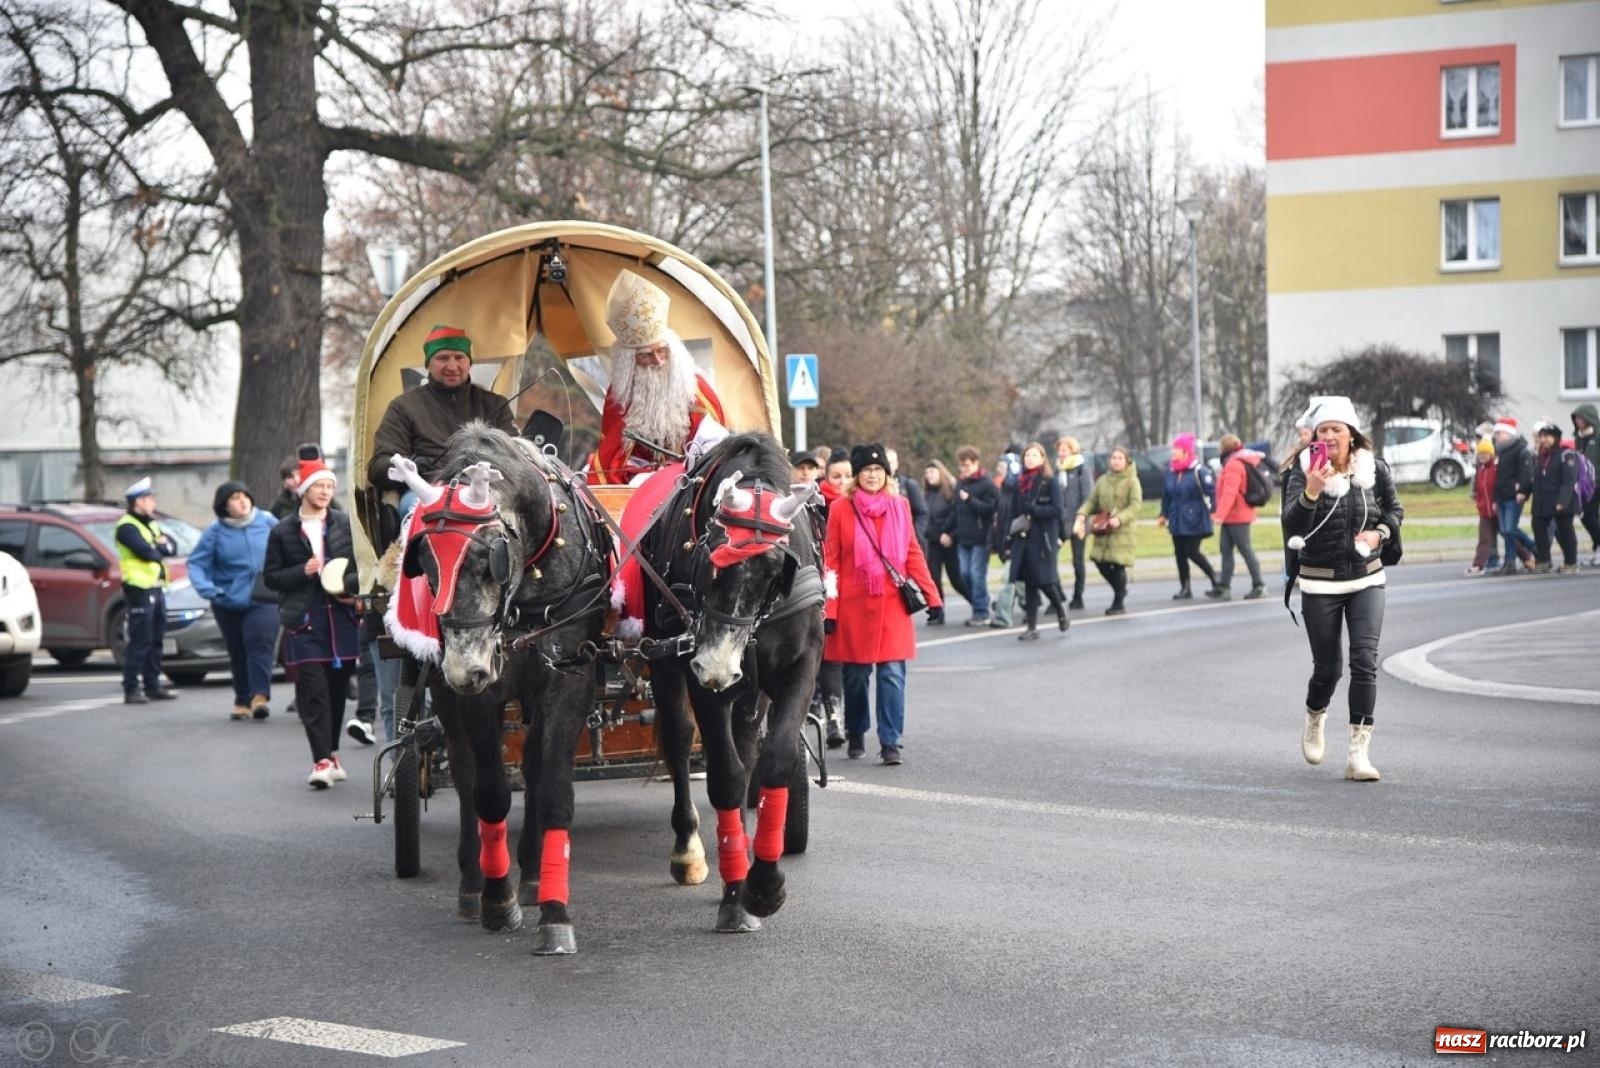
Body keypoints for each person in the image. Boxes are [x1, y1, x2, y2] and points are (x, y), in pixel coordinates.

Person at [1281, 396, 1402, 782]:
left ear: (1352, 434)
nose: (1330, 436)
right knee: (1328, 669)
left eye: (1337, 429)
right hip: (1320, 582)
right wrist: (1312, 491)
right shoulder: (1303, 472)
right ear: (1314, 436)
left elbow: (1394, 512)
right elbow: (1292, 526)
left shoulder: (1374, 469)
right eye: (1323, 430)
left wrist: (1380, 533)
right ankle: (1315, 716)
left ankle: (1358, 753)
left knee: (1365, 661)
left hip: (1367, 576)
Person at [823, 444, 941, 765]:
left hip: (892, 605)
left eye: (878, 470)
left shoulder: (900, 506)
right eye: (866, 471)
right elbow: (830, 563)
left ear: (886, 474)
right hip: (853, 607)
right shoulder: (841, 510)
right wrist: (829, 610)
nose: (873, 475)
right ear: (857, 476)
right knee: (856, 677)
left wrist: (933, 596)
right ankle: (857, 729)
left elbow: (912, 554)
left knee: (891, 674)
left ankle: (891, 741)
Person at [265, 454, 362, 789]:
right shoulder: (282, 531)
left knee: (337, 693)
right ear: (304, 489)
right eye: (319, 485)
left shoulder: (343, 523)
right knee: (314, 693)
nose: (324, 491)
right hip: (304, 620)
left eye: (329, 486)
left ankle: (331, 752)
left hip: (341, 618)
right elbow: (270, 577)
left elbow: (359, 570)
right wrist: (300, 572)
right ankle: (320, 760)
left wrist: (350, 591)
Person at [587, 270, 727, 484]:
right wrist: (640, 474)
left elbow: (715, 445)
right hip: (638, 481)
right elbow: (612, 456)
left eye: (662, 351)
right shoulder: (620, 396)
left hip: (689, 481)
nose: (658, 361)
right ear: (630, 362)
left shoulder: (695, 388)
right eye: (646, 355)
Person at [367, 324, 518, 500]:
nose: (452, 366)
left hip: (485, 492)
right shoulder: (403, 407)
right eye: (443, 358)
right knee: (411, 505)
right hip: (426, 491)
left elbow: (516, 457)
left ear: (469, 363)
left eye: (459, 357)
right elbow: (378, 466)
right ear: (428, 364)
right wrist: (411, 467)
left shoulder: (495, 405)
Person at [187, 481, 278, 721]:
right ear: (224, 506)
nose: (242, 501)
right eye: (235, 498)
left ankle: (259, 697)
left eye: (245, 496)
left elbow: (289, 546)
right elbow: (197, 563)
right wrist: (211, 591)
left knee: (259, 642)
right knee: (238, 650)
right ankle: (242, 699)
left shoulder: (267, 521)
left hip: (264, 596)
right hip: (227, 601)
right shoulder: (214, 532)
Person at [114, 478, 180, 704]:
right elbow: (147, 552)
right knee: (140, 640)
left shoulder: (150, 524)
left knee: (156, 639)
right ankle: (131, 687)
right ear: (137, 502)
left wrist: (159, 546)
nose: (153, 502)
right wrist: (158, 546)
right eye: (149, 498)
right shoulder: (127, 526)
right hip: (138, 588)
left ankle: (153, 685)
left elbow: (172, 547)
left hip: (156, 587)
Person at [1004, 443, 1069, 640]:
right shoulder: (1019, 483)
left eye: (1034, 455)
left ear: (1042, 459)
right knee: (1030, 583)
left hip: (1043, 538)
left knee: (1045, 581)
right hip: (1023, 538)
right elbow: (1014, 511)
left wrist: (1035, 511)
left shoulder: (1050, 482)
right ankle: (1032, 627)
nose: (1029, 459)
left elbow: (1057, 510)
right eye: (1027, 455)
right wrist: (1008, 536)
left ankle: (1060, 609)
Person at [1073, 446, 1140, 616]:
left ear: (1126, 461)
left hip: (1122, 531)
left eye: (1120, 458)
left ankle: (1118, 602)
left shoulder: (1132, 480)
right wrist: (1082, 514)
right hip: (1103, 528)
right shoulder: (1103, 480)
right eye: (1114, 458)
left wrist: (1120, 519)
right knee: (1099, 561)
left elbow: (1135, 506)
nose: (1116, 461)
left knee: (1117, 565)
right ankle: (1121, 589)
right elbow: (1092, 501)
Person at [815, 447, 853, 747]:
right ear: (825, 476)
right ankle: (833, 719)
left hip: (851, 589)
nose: (841, 482)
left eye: (846, 476)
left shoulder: (855, 505)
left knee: (854, 663)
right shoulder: (815, 504)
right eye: (835, 476)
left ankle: (850, 719)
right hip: (820, 585)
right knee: (830, 658)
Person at [940, 446, 998, 627]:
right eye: (961, 466)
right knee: (964, 574)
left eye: (966, 465)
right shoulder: (961, 483)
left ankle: (981, 611)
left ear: (976, 463)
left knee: (976, 574)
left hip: (981, 538)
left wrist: (970, 500)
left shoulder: (987, 484)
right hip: (963, 538)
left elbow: (992, 509)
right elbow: (956, 512)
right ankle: (981, 602)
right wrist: (946, 531)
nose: (963, 469)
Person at [1158, 432, 1220, 600]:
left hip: (1196, 517)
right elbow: (1167, 496)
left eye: (1176, 449)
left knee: (1192, 551)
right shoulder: (1171, 472)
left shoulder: (1199, 470)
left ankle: (1215, 577)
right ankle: (1185, 587)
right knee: (1179, 554)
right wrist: (1163, 514)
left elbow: (1211, 492)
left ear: (1186, 451)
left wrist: (1214, 511)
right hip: (1176, 518)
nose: (1173, 452)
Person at [1209, 434, 1267, 600]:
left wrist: (1219, 515)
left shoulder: (1234, 464)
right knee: (1225, 549)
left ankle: (1259, 585)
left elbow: (1230, 493)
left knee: (1246, 550)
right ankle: (1224, 586)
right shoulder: (1234, 461)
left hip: (1238, 516)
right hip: (1231, 516)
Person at [1529, 420, 1580, 573]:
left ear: (1556, 437)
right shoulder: (1542, 456)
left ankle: (1571, 563)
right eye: (1542, 436)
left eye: (1547, 436)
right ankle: (1544, 561)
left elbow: (1569, 480)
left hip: (1562, 501)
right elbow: (1536, 479)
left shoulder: (1566, 454)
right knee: (1538, 526)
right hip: (1543, 501)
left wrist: (1562, 501)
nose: (1544, 439)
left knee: (1565, 531)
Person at [921, 460, 968, 624]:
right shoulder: (927, 495)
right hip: (932, 541)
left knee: (956, 579)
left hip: (949, 541)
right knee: (933, 578)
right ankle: (937, 611)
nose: (929, 476)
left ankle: (978, 604)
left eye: (932, 473)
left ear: (941, 473)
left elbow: (957, 516)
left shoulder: (950, 493)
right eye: (927, 474)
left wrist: (950, 535)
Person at [1490, 417, 1537, 574]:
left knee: (1509, 529)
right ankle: (1509, 563)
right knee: (1505, 530)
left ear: (1508, 433)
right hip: (1502, 495)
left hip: (1514, 496)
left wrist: (1522, 491)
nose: (1496, 436)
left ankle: (1534, 548)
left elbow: (1526, 472)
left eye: (1499, 433)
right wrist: (1496, 498)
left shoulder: (1521, 449)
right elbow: (1499, 476)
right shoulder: (1501, 450)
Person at [1054, 436, 1092, 610]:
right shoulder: (1057, 471)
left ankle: (1078, 595)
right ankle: (1056, 594)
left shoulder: (1082, 470)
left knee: (1078, 560)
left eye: (1064, 450)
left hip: (1077, 521)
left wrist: (1082, 518)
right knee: (1050, 558)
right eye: (1060, 450)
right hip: (1059, 522)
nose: (1061, 453)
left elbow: (1087, 497)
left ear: (1072, 451)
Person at [1464, 437, 1501, 576]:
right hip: (1485, 512)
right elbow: (1477, 490)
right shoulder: (1480, 470)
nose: (1483, 457)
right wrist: (1478, 502)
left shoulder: (1496, 469)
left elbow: (1500, 487)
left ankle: (1528, 557)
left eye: (1485, 454)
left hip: (1497, 511)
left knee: (1510, 536)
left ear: (1491, 454)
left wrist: (1497, 502)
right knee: (1484, 539)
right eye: (1480, 454)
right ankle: (1478, 565)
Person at [1571, 404, 1600, 564]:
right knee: (1591, 515)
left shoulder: (1598, 435)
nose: (1577, 421)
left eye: (1580, 418)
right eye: (1576, 418)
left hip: (1597, 482)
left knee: (1587, 514)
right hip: (1584, 483)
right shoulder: (1579, 437)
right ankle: (1597, 550)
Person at [884, 448, 928, 552]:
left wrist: (915, 534)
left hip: (907, 541)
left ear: (897, 464)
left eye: (891, 462)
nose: (888, 465)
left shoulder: (909, 485)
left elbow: (922, 512)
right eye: (886, 462)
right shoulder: (874, 487)